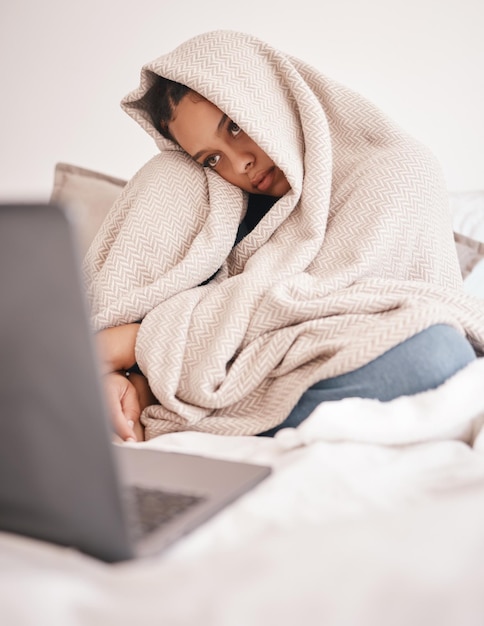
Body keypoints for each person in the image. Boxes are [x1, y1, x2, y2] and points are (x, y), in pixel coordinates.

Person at [87, 30, 483, 442]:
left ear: (271, 97)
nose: (240, 164)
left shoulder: (395, 169)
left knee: (436, 354)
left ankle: (162, 402)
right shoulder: (214, 196)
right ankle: (135, 392)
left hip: (331, 360)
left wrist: (133, 344)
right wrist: (111, 372)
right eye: (212, 158)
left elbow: (334, 304)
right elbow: (135, 293)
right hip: (216, 371)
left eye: (236, 126)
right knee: (168, 174)